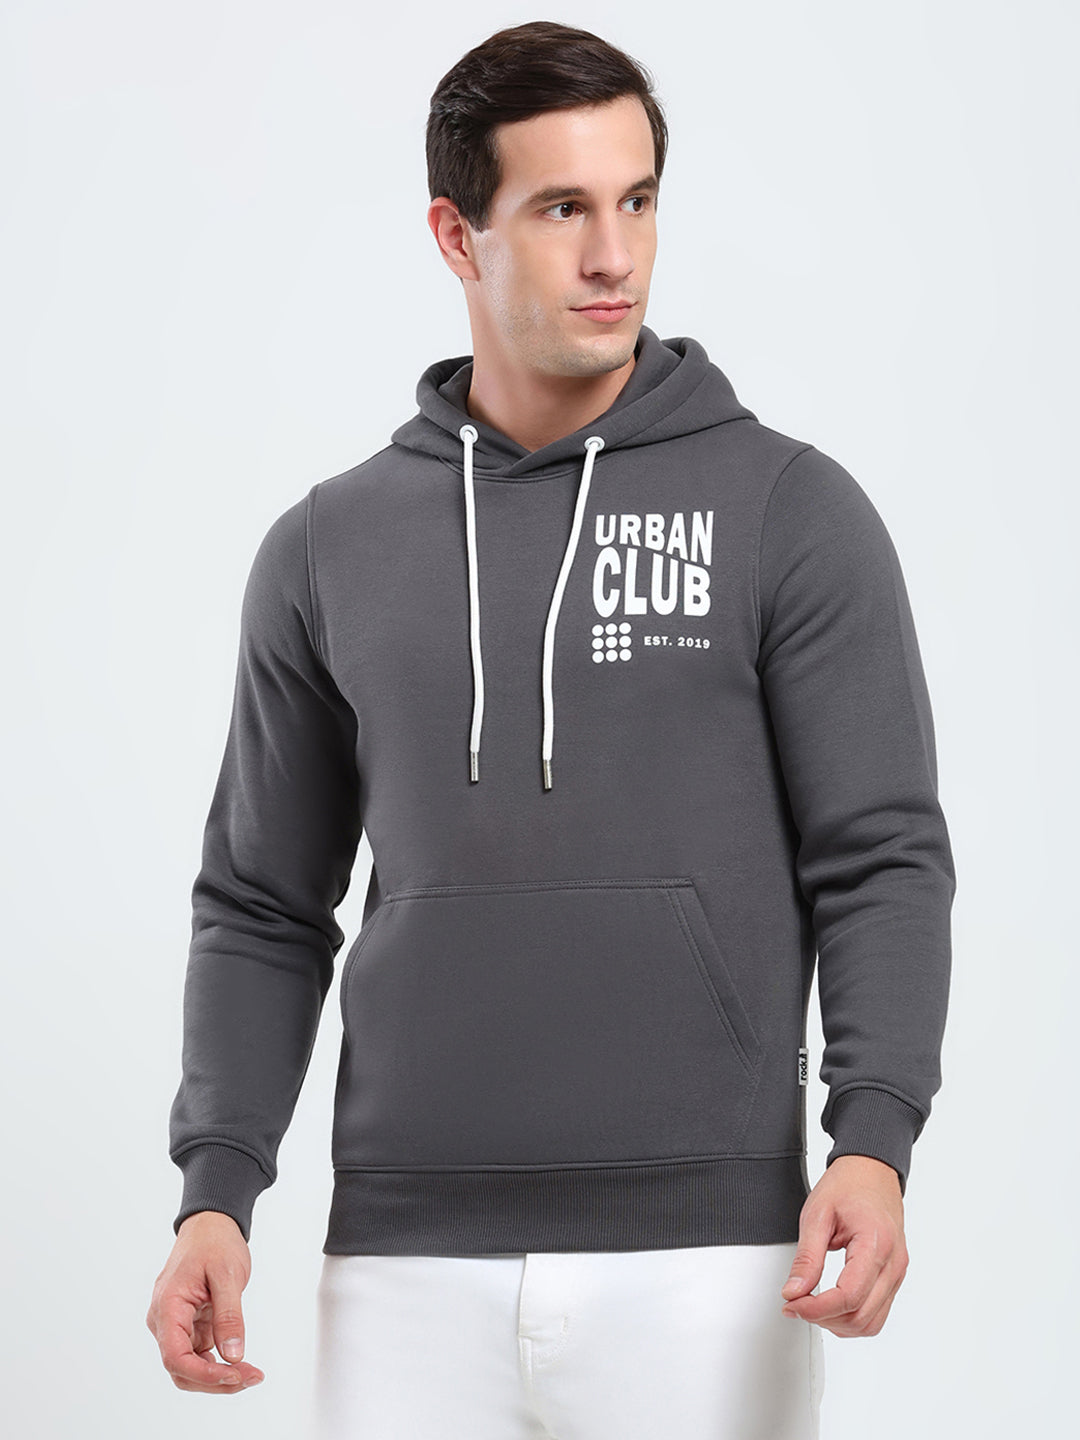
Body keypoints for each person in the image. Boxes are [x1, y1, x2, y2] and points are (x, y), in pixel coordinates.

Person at [145, 19, 956, 1439]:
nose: (615, 256)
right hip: (402, 1266)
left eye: (637, 200)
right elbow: (265, 902)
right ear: (456, 235)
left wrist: (873, 1139)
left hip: (711, 1264)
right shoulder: (329, 547)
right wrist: (217, 1190)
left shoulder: (789, 512)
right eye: (563, 208)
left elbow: (882, 856)